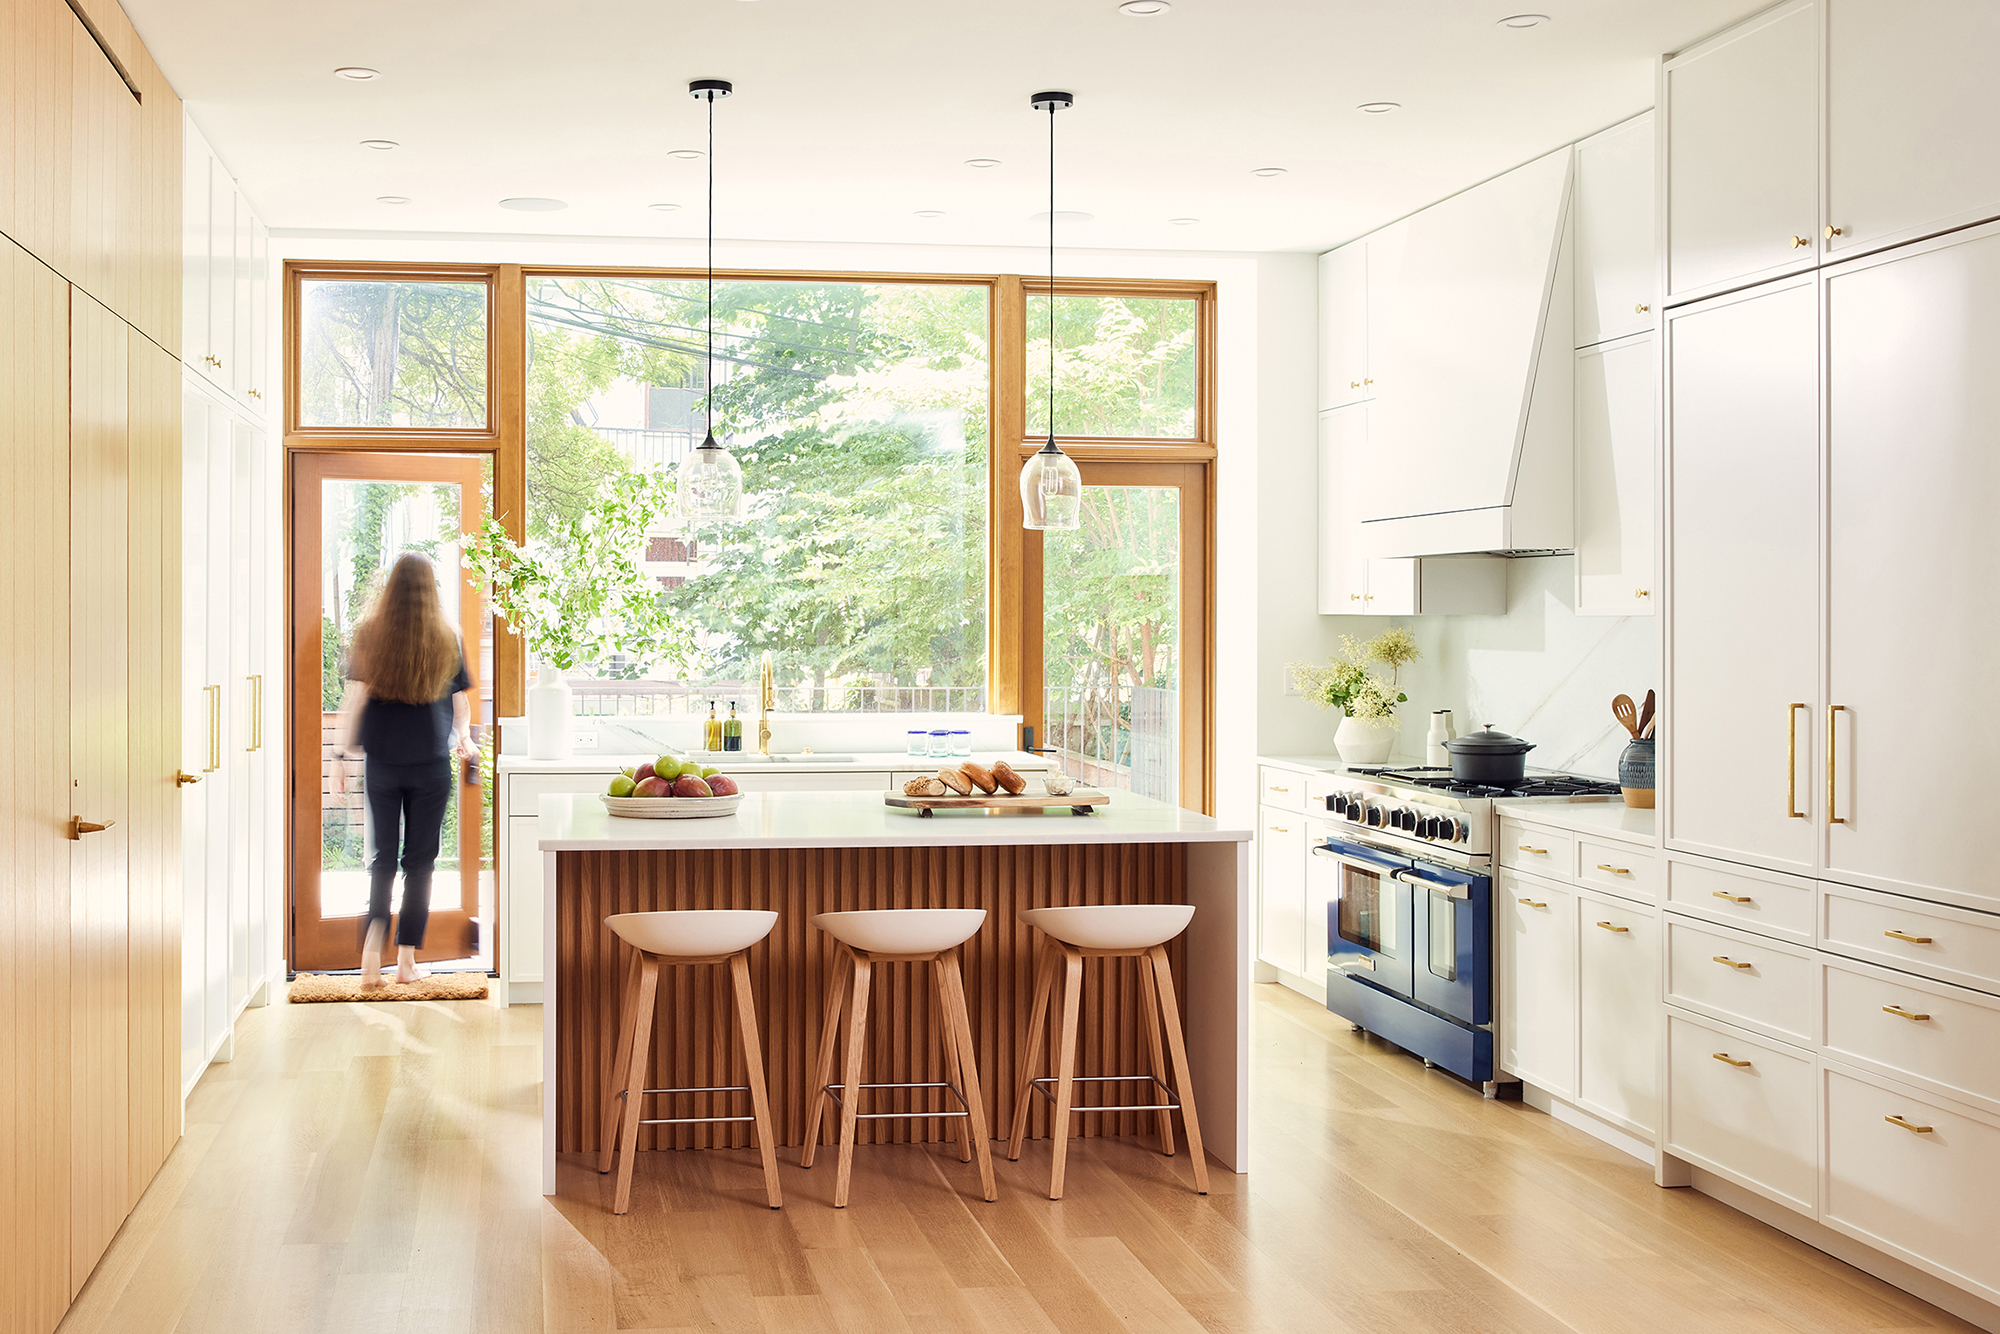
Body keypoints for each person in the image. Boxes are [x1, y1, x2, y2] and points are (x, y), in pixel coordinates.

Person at [335, 552, 475, 988]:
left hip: (382, 762)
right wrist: (466, 738)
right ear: (431, 588)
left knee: (381, 860)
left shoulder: (371, 633)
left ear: (391, 587)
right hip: (430, 764)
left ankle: (371, 959)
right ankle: (407, 962)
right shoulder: (446, 636)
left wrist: (340, 758)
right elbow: (460, 704)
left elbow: (354, 699)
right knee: (421, 863)